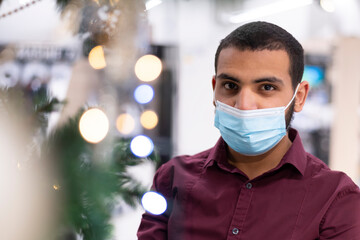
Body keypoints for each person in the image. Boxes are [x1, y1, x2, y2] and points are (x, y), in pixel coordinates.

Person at [137, 21, 360, 239]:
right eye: (231, 86)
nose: (243, 104)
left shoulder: (335, 199)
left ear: (299, 96)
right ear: (215, 89)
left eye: (266, 88)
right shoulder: (173, 179)